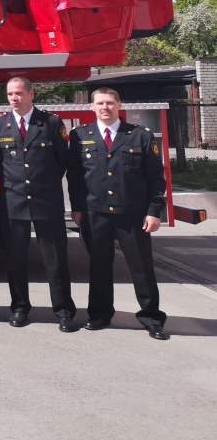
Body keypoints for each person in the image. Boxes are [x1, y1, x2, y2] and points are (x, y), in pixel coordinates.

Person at [69, 87, 168, 339]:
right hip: (95, 213)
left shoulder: (140, 136)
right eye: (100, 103)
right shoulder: (80, 136)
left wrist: (154, 211)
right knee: (99, 266)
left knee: (141, 266)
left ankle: (151, 317)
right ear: (92, 107)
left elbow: (156, 178)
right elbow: (75, 178)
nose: (105, 107)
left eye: (110, 103)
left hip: (132, 214)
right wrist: (77, 208)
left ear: (119, 104)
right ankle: (99, 315)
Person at [0, 76, 79, 332]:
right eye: (10, 94)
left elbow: (63, 162)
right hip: (13, 201)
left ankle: (63, 311)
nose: (14, 99)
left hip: (46, 200)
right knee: (15, 258)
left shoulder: (51, 123)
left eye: (18, 93)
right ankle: (19, 308)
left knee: (55, 259)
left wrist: (42, 186)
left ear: (31, 94)